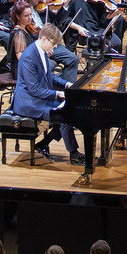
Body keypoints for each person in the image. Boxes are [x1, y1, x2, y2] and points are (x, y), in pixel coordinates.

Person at [11, 24, 80, 162]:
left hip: (38, 97)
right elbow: (34, 89)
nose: (55, 47)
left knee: (70, 110)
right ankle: (74, 154)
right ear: (44, 39)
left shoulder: (41, 51)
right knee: (65, 115)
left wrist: (66, 84)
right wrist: (57, 94)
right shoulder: (29, 57)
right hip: (29, 102)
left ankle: (43, 144)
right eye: (53, 44)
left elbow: (50, 76)